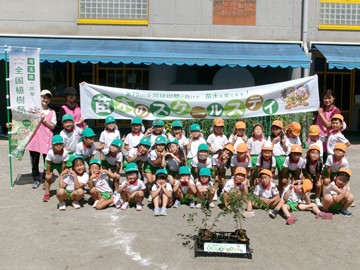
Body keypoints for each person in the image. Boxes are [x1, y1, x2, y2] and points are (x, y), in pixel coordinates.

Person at [26, 89, 57, 189]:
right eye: (43, 97)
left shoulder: (52, 112)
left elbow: (52, 126)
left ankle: (45, 179)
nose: (45, 99)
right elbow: (24, 123)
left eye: (48, 98)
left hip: (46, 140)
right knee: (34, 161)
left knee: (47, 162)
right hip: (34, 139)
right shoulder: (32, 110)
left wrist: (44, 120)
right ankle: (35, 179)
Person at [43, 135, 69, 202]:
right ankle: (47, 193)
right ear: (52, 145)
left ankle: (62, 191)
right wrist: (48, 173)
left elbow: (64, 163)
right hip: (51, 164)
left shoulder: (65, 152)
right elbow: (48, 163)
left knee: (63, 178)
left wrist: (62, 174)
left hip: (60, 164)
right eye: (56, 144)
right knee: (48, 178)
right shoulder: (50, 152)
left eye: (60, 144)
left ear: (63, 144)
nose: (58, 146)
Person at [315, 89, 341, 157]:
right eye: (325, 98)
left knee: (328, 157)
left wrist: (321, 114)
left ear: (334, 98)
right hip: (318, 136)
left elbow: (329, 125)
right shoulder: (320, 108)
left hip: (330, 138)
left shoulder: (336, 110)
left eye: (329, 98)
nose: (327, 100)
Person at [144, 135, 167, 199]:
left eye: (162, 145)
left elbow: (162, 165)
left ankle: (150, 192)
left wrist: (163, 156)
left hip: (157, 167)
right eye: (158, 145)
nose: (160, 147)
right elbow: (155, 163)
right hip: (149, 166)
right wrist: (160, 156)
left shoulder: (165, 152)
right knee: (149, 180)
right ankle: (148, 191)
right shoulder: (152, 152)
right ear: (155, 145)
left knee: (154, 181)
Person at [268, 119, 289, 184]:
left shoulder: (284, 137)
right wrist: (274, 140)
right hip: (272, 157)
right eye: (273, 129)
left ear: (281, 129)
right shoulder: (270, 137)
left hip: (281, 157)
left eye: (277, 129)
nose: (275, 131)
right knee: (271, 173)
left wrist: (284, 144)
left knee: (281, 175)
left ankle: (281, 189)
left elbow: (286, 150)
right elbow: (268, 147)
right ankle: (271, 188)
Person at [247, 123, 266, 187]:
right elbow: (248, 151)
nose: (258, 130)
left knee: (259, 174)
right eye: (256, 129)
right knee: (252, 175)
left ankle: (259, 188)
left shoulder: (264, 141)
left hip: (260, 158)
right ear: (253, 132)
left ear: (262, 132)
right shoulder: (250, 140)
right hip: (252, 158)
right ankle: (252, 188)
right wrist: (249, 158)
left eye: (260, 129)